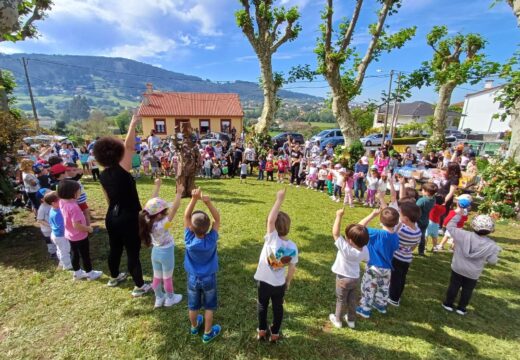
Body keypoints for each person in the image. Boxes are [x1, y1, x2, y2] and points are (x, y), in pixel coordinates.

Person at [94, 114, 151, 296]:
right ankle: (140, 286)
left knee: (115, 248)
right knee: (132, 251)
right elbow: (129, 146)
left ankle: (114, 276)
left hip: (112, 216)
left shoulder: (102, 175)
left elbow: (108, 200)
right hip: (128, 216)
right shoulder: (122, 169)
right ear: (116, 152)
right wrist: (133, 124)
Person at [254, 189, 298, 342]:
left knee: (262, 306)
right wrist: (288, 281)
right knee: (278, 308)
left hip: (264, 282)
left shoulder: (272, 239)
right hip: (279, 284)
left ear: (273, 228)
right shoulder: (293, 247)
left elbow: (271, 220)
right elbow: (292, 268)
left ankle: (261, 331)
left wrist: (279, 199)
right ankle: (275, 333)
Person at [442, 214, 501, 315]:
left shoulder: (462, 234)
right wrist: (495, 254)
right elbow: (492, 261)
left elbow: (450, 227)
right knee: (467, 290)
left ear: (473, 225)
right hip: (473, 273)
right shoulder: (492, 245)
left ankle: (448, 304)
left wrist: (458, 214)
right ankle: (461, 308)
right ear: (491, 230)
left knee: (454, 286)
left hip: (458, 267)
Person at [183, 188, 221, 343]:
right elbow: (217, 220)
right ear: (208, 228)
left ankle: (194, 327)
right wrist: (208, 202)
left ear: (191, 228)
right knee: (209, 307)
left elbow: (186, 215)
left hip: (193, 278)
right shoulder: (211, 239)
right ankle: (207, 333)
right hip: (209, 278)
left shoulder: (188, 238)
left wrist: (194, 198)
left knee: (193, 306)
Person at [139, 179, 184, 308]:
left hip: (156, 252)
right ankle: (170, 298)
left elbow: (150, 205)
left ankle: (159, 298)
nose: (166, 212)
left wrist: (157, 186)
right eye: (164, 211)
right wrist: (179, 193)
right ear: (159, 215)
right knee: (167, 278)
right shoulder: (163, 223)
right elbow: (175, 209)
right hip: (166, 252)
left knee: (157, 277)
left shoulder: (146, 219)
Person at [329, 208, 369, 329]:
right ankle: (351, 320)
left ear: (350, 241)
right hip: (355, 278)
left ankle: (338, 320)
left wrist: (338, 216)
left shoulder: (346, 249)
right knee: (352, 299)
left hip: (342, 279)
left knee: (341, 299)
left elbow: (335, 233)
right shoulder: (364, 249)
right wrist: (372, 214)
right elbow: (360, 228)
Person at [356, 207, 400, 318]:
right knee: (383, 288)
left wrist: (372, 215)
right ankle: (381, 305)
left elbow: (359, 227)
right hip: (387, 269)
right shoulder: (395, 236)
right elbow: (395, 248)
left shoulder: (375, 233)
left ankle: (365, 309)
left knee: (368, 288)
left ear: (381, 221)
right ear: (396, 223)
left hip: (373, 267)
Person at [58, 180, 102, 281]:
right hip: (79, 235)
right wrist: (88, 229)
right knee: (85, 254)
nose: (80, 192)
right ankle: (90, 273)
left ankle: (77, 273)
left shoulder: (62, 201)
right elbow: (76, 225)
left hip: (70, 234)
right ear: (72, 193)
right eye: (79, 191)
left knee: (74, 253)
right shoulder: (74, 207)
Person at [388, 202, 422, 306]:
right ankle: (397, 295)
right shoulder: (418, 231)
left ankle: (393, 298)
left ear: (406, 219)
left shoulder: (402, 230)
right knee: (401, 277)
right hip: (407, 258)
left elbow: (392, 236)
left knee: (395, 278)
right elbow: (414, 246)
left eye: (400, 215)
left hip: (396, 258)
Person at [45, 191, 72, 270]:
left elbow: (50, 222)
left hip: (54, 234)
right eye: (60, 200)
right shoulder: (58, 213)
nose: (62, 200)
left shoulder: (52, 210)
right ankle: (67, 266)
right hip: (61, 236)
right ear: (53, 203)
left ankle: (61, 261)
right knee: (65, 251)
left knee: (59, 249)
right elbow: (62, 226)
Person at [416, 183, 438, 256]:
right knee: (422, 236)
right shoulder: (434, 199)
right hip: (425, 220)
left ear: (426, 192)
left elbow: (415, 208)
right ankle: (421, 251)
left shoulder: (422, 200)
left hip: (418, 220)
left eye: (423, 190)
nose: (421, 191)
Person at [438, 163, 462, 228]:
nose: (447, 169)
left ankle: (440, 227)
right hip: (441, 196)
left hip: (446, 198)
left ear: (452, 169)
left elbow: (451, 192)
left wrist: (444, 201)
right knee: (438, 212)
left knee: (442, 213)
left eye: (448, 167)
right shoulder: (450, 176)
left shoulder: (455, 179)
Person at [36, 188, 57, 260]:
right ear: (42, 199)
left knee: (56, 239)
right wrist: (49, 225)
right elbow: (39, 220)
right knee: (50, 241)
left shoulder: (52, 204)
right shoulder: (42, 208)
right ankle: (52, 253)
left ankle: (59, 250)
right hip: (47, 229)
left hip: (55, 227)